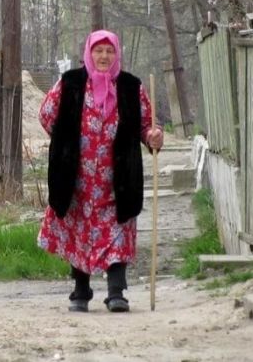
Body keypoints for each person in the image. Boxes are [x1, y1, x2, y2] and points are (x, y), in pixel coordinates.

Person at [38, 29, 164, 312]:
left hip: (118, 176)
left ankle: (116, 292)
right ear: (89, 53)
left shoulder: (132, 87)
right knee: (79, 230)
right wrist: (65, 144)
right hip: (78, 176)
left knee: (119, 227)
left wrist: (154, 136)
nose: (104, 56)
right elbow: (46, 114)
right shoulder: (69, 83)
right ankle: (80, 291)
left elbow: (147, 125)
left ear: (116, 54)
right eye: (99, 51)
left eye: (109, 51)